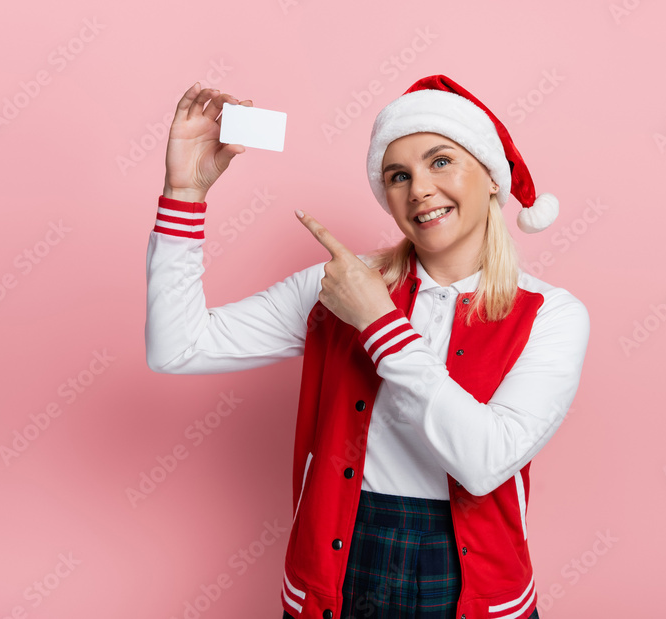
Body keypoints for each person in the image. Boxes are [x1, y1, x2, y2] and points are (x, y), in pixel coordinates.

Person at [145, 74, 591, 619]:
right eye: (398, 175)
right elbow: (178, 346)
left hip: (471, 580)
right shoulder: (339, 286)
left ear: (492, 176)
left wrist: (379, 322)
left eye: (441, 161)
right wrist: (184, 194)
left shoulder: (552, 314)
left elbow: (484, 463)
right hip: (340, 560)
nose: (419, 189)